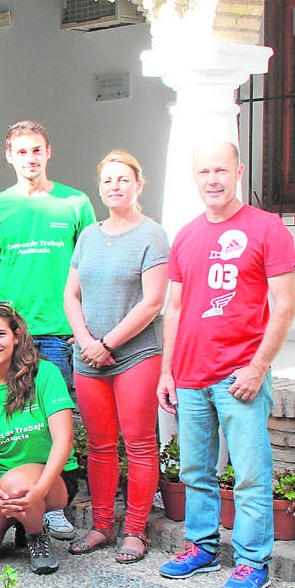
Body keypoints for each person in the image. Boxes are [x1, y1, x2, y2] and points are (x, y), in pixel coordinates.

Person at [156, 139, 295, 588]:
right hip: (191, 375)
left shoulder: (268, 229)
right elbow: (173, 309)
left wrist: (258, 368)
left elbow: (284, 307)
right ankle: (201, 546)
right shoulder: (186, 234)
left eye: (221, 170)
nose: (212, 180)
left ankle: (253, 560)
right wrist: (167, 372)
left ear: (239, 171)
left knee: (251, 472)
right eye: (204, 173)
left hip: (241, 375)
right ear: (195, 179)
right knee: (195, 469)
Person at [0, 120, 94, 541]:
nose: (30, 158)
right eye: (22, 151)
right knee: (10, 413)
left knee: (55, 420)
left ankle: (53, 503)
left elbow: (87, 272)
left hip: (58, 333)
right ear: (9, 156)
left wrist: (84, 330)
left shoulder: (75, 204)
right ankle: (11, 494)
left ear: (48, 151)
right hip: (8, 336)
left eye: (36, 150)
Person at [64, 151, 169, 563]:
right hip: (89, 357)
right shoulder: (89, 235)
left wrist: (106, 344)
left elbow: (153, 302)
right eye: (108, 180)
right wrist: (86, 340)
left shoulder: (152, 234)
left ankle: (135, 531)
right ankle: (102, 525)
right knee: (100, 446)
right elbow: (71, 294)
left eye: (123, 179)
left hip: (135, 355)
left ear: (138, 185)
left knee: (140, 445)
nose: (115, 187)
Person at [0, 303, 77, 574]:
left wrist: (40, 490)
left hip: (51, 478)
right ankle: (17, 518)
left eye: (0, 334)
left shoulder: (45, 374)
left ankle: (35, 533)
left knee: (17, 484)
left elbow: (64, 441)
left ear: (16, 336)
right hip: (0, 482)